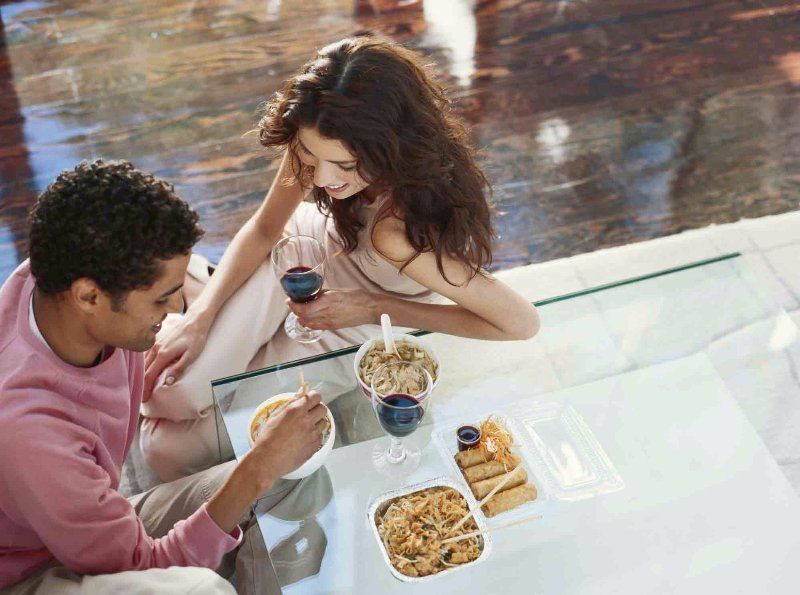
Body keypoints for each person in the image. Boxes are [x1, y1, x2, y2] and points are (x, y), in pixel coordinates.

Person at [142, 36, 541, 482]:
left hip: (347, 327)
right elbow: (264, 228)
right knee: (167, 394)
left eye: (345, 166)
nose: (323, 178)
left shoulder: (397, 233)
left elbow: (521, 323)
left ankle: (205, 284)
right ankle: (203, 291)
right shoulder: (315, 145)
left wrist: (372, 307)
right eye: (312, 157)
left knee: (167, 454)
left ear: (390, 148)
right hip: (299, 256)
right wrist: (201, 315)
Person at [0, 160, 327, 595]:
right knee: (200, 590)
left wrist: (203, 314)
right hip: (30, 573)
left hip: (93, 520)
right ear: (89, 295)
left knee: (295, 471)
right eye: (160, 301)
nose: (176, 311)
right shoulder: (27, 429)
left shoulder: (58, 275)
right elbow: (147, 565)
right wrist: (258, 466)